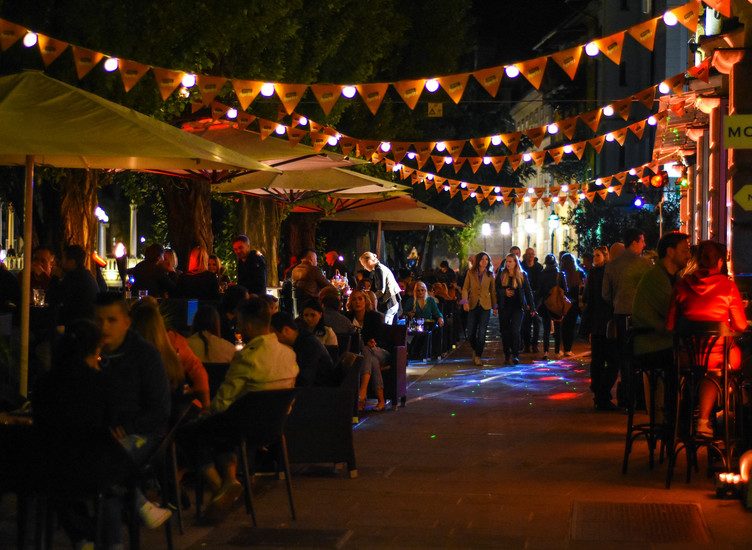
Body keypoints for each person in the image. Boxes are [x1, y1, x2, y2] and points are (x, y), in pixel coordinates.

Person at [179, 297, 298, 517]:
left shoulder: (248, 357)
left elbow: (223, 401)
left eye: (240, 323)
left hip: (244, 429)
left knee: (189, 431)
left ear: (249, 324)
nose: (238, 328)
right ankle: (228, 481)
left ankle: (218, 485)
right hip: (275, 428)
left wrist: (205, 412)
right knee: (218, 427)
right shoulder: (289, 354)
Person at [94, 293, 173, 538]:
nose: (104, 327)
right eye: (98, 321)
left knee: (105, 468)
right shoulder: (88, 352)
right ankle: (139, 505)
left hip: (142, 433)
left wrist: (127, 427)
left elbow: (160, 410)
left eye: (111, 320)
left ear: (127, 322)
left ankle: (100, 541)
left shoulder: (145, 355)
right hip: (99, 434)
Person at [666, 240, 747, 437]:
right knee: (720, 369)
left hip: (685, 358)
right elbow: (741, 326)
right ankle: (706, 419)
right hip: (718, 358)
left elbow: (670, 325)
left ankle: (685, 420)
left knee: (698, 368)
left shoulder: (681, 285)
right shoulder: (728, 287)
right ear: (719, 262)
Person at [630, 232, 691, 417]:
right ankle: (674, 418)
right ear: (670, 252)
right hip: (652, 345)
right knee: (696, 363)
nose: (688, 255)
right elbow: (673, 311)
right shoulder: (656, 278)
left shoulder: (672, 277)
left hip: (662, 342)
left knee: (696, 361)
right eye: (685, 250)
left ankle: (678, 418)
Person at [130, 300, 211, 410]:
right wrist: (205, 408)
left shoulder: (123, 348)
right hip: (175, 411)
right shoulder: (174, 342)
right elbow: (199, 372)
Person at [602, 228, 652, 405]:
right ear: (634, 242)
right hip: (640, 316)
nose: (644, 244)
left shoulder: (612, 265)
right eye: (642, 241)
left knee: (624, 357)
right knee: (641, 356)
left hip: (620, 314)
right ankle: (641, 396)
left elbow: (605, 294)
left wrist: (617, 301)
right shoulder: (645, 264)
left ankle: (628, 397)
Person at [581, 246, 617, 410]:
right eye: (594, 255)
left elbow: (587, 297)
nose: (595, 258)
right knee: (607, 359)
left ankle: (599, 391)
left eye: (598, 255)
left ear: (605, 256)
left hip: (599, 320)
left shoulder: (596, 274)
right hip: (604, 319)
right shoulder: (601, 273)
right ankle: (602, 393)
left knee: (599, 359)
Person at [346, 289, 389, 411]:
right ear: (350, 302)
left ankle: (362, 392)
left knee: (367, 351)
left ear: (365, 301)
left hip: (380, 351)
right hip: (364, 354)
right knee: (371, 360)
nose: (357, 302)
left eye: (360, 299)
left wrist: (373, 342)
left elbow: (380, 339)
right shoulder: (348, 318)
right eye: (354, 299)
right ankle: (381, 400)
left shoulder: (374, 317)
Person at [271, 311, 338, 387]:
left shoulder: (308, 345)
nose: (272, 339)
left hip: (320, 390)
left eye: (273, 334)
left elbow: (304, 381)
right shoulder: (302, 338)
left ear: (286, 330)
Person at [496, 253, 535, 365]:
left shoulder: (522, 275)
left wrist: (532, 307)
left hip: (518, 307)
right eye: (507, 262)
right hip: (505, 307)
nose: (508, 264)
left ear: (515, 263)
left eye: (510, 262)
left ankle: (515, 354)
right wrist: (504, 292)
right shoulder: (502, 274)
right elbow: (496, 289)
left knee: (515, 330)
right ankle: (507, 354)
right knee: (505, 331)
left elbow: (527, 291)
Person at [48, 244, 100, 327]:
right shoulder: (86, 275)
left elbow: (52, 299)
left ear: (71, 262)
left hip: (77, 326)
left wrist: (55, 277)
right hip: (89, 323)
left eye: (63, 259)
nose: (61, 263)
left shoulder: (73, 277)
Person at [461, 251, 497, 366]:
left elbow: (493, 291)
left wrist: (495, 307)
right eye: (482, 259)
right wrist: (465, 302)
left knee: (482, 332)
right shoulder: (470, 273)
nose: (484, 261)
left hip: (485, 306)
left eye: (486, 259)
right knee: (470, 332)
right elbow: (465, 288)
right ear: (478, 261)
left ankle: (478, 355)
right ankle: (475, 348)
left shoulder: (490, 274)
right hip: (472, 304)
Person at [536, 254, 567, 361]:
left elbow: (539, 291)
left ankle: (546, 351)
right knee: (557, 328)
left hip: (545, 303)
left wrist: (536, 303)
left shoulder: (541, 274)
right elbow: (565, 290)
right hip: (556, 303)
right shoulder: (560, 274)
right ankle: (557, 351)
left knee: (546, 329)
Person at [359, 251, 402, 325]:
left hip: (389, 304)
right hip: (393, 302)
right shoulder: (380, 268)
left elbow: (381, 290)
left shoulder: (379, 269)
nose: (364, 267)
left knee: (385, 328)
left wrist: (370, 298)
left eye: (364, 265)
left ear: (369, 262)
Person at [559, 253, 585, 357]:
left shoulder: (561, 274)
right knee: (572, 326)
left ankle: (564, 347)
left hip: (565, 303)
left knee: (565, 326)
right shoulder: (579, 273)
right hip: (576, 303)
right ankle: (568, 349)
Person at [521, 248, 543, 353]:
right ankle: (527, 344)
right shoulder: (522, 267)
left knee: (536, 321)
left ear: (534, 255)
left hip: (537, 297)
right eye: (528, 254)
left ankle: (535, 344)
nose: (530, 256)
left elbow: (541, 284)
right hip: (526, 297)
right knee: (526, 323)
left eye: (532, 254)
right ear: (525, 255)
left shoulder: (539, 267)